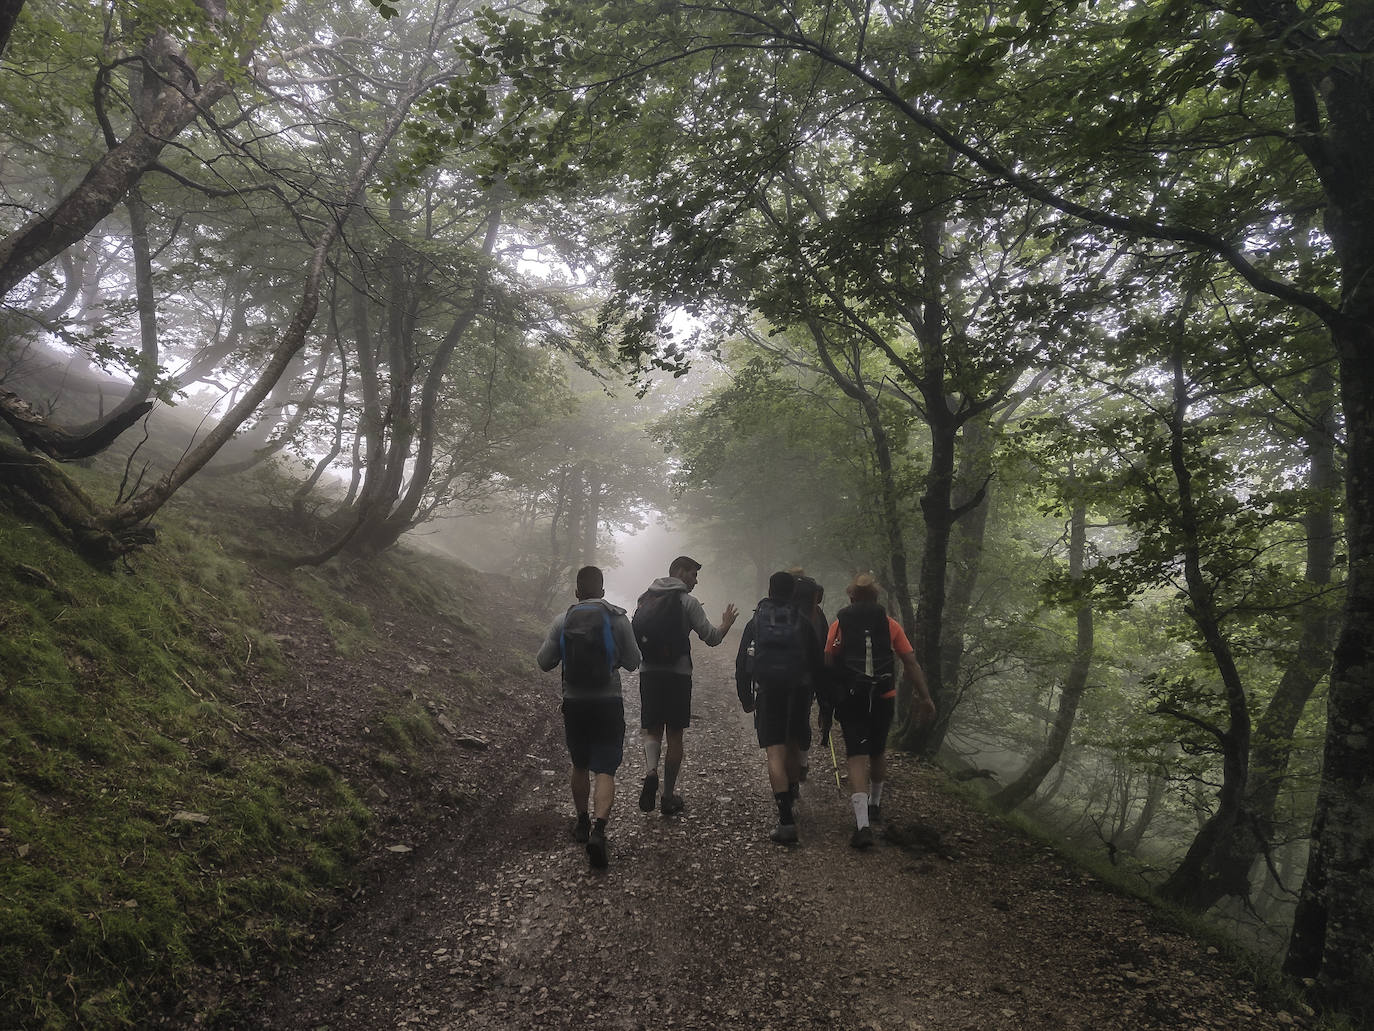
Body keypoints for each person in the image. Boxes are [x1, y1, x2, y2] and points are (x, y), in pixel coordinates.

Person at [536, 565, 641, 868]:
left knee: (579, 764)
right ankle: (599, 830)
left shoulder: (564, 619)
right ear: (603, 591)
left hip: (575, 702)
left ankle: (581, 822)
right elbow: (634, 661)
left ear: (577, 592)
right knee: (606, 768)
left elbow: (544, 662)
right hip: (608, 702)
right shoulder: (618, 618)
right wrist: (614, 660)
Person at [824, 573, 936, 849]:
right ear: (876, 598)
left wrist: (829, 696)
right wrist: (925, 697)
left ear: (852, 597)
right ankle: (875, 804)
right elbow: (910, 662)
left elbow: (828, 658)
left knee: (856, 756)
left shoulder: (840, 624)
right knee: (878, 752)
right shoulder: (890, 625)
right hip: (884, 696)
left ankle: (862, 826)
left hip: (852, 698)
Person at [632, 555, 739, 816]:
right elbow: (711, 638)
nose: (695, 580)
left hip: (649, 672)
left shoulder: (645, 598)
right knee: (675, 735)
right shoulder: (688, 602)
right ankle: (667, 796)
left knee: (653, 729)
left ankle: (650, 771)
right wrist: (726, 624)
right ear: (680, 572)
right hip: (678, 676)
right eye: (693, 574)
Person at [735, 570, 824, 844]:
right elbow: (817, 662)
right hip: (799, 691)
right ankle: (793, 791)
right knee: (795, 744)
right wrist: (822, 700)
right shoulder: (803, 621)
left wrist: (746, 698)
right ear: (793, 593)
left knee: (774, 751)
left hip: (769, 691)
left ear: (770, 589)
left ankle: (785, 820)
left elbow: (741, 663)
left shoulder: (757, 619)